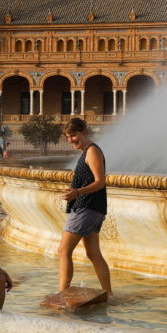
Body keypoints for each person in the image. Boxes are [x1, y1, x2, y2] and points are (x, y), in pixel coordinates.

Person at [57, 118, 111, 294]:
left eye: (73, 135)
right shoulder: (86, 152)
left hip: (86, 208)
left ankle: (63, 293)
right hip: (93, 209)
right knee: (94, 254)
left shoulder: (92, 151)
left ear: (84, 132)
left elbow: (100, 182)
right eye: (68, 137)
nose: (70, 140)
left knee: (63, 251)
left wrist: (77, 193)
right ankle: (107, 293)